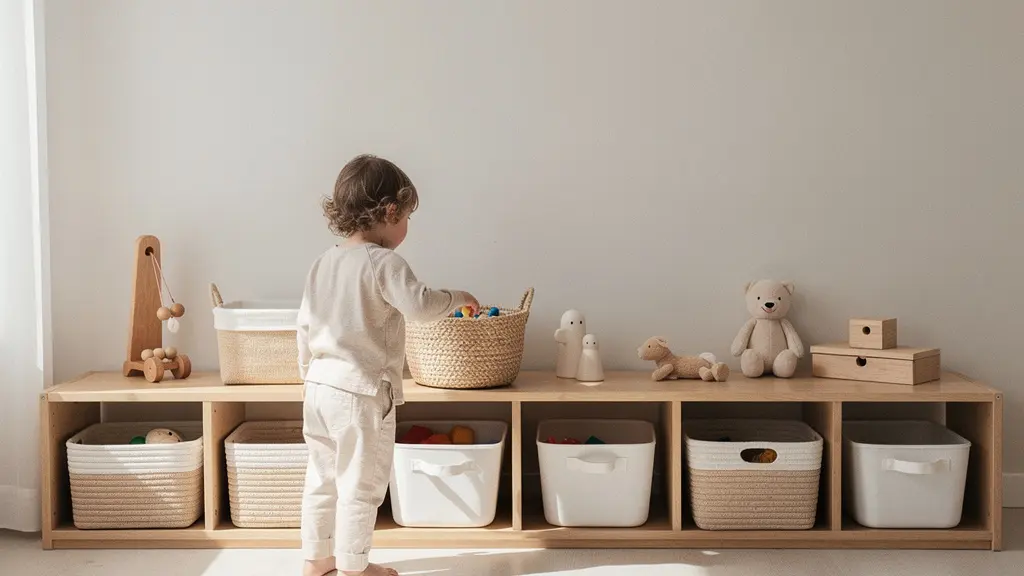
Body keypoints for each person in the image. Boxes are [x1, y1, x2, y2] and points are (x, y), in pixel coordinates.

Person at [298, 154, 478, 576]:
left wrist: (308, 374)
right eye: (407, 217)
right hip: (360, 392)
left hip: (319, 387)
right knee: (360, 487)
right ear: (390, 211)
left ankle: (316, 561)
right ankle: (355, 568)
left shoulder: (322, 263)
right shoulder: (384, 264)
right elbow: (418, 306)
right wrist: (457, 298)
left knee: (322, 481)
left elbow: (304, 325)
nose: (407, 228)